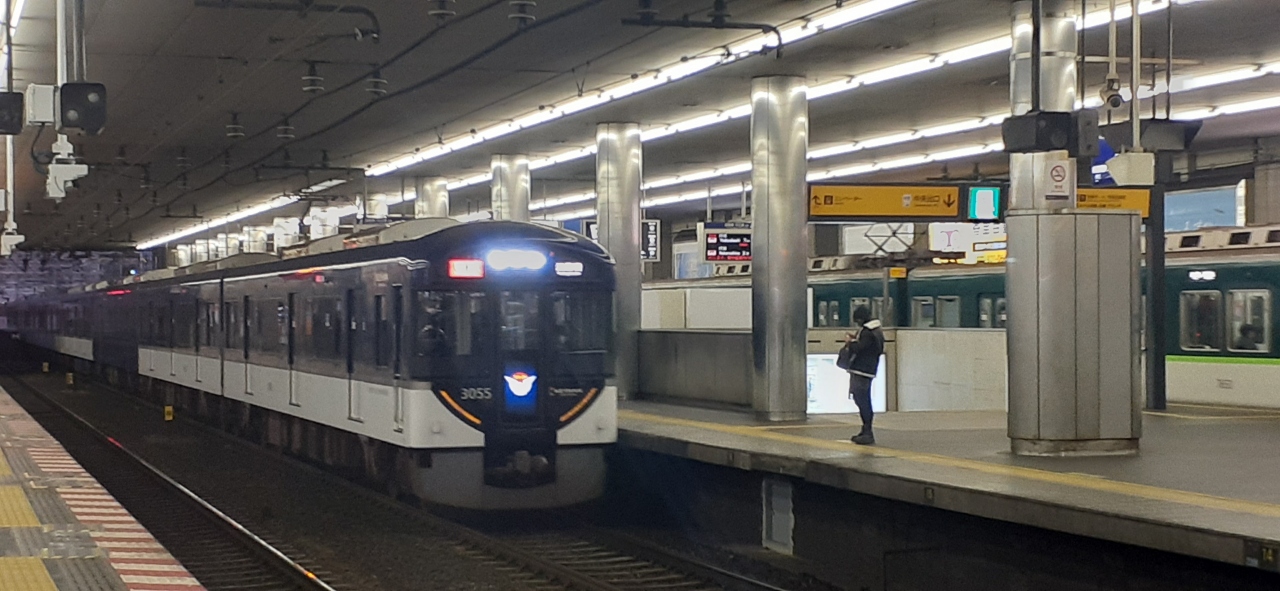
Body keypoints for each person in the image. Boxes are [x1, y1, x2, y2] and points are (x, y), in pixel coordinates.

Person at [838, 306, 885, 445]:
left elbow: (860, 348)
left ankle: (867, 432)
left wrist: (850, 342)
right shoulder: (876, 331)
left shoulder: (868, 332)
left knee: (862, 399)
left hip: (862, 370)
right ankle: (865, 430)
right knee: (863, 399)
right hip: (868, 370)